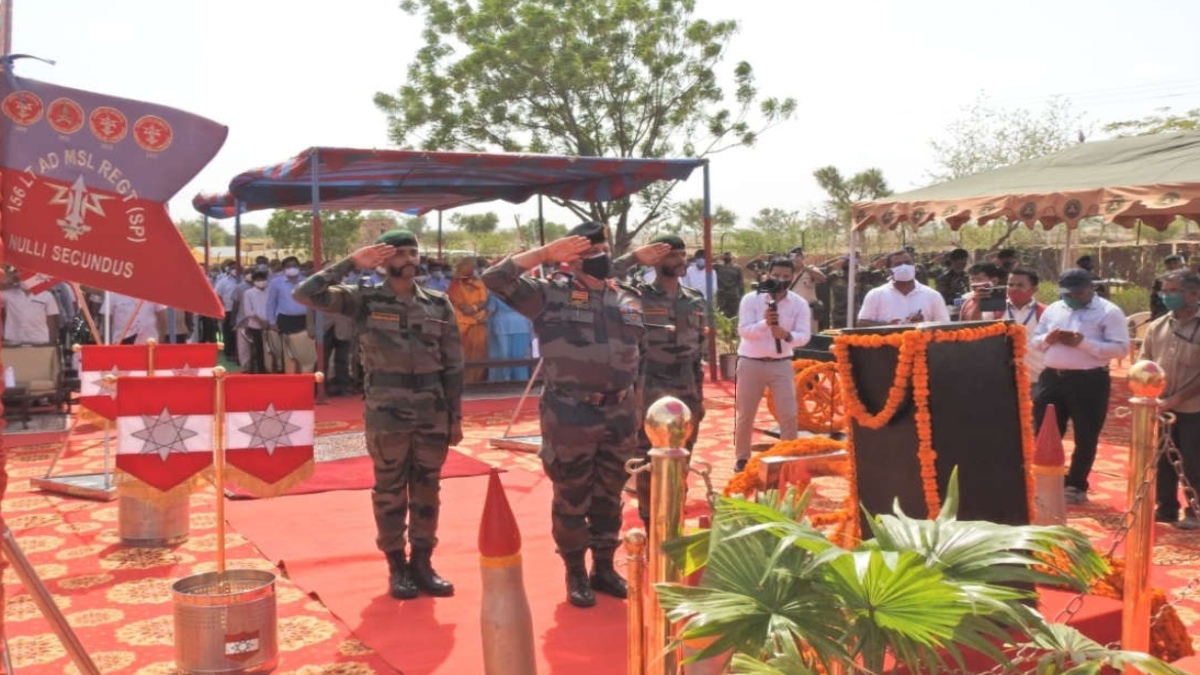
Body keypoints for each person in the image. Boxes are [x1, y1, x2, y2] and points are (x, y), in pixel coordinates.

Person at [482, 221, 667, 609]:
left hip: (619, 411)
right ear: (572, 259)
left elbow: (642, 358)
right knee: (571, 494)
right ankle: (575, 571)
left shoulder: (629, 298)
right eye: (588, 253)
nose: (598, 259)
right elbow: (496, 279)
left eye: (601, 251)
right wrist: (545, 254)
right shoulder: (551, 295)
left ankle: (603, 566)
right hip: (571, 411)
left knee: (610, 492)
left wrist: (637, 410)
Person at [293, 228, 463, 599]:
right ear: (384, 260)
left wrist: (455, 416)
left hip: (432, 409)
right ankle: (396, 564)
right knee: (389, 490)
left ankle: (422, 560)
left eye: (413, 252)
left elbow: (453, 363)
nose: (410, 259)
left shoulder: (437, 303)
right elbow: (306, 293)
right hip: (387, 409)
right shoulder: (363, 299)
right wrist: (352, 263)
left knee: (427, 488)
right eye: (400, 253)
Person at [616, 235, 706, 526]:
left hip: (686, 387)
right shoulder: (637, 295)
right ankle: (649, 518)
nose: (680, 260)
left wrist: (700, 397)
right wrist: (634, 256)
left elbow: (699, 350)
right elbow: (606, 276)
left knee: (682, 456)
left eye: (682, 254)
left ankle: (674, 516)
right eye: (671, 255)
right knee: (649, 458)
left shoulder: (694, 298)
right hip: (650, 384)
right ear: (655, 260)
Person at [1030, 269, 1130, 505]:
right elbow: (1035, 340)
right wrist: (1048, 339)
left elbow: (1120, 348)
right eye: (1067, 293)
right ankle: (1046, 479)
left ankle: (1076, 484)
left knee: (1086, 433)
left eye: (1078, 292)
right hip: (1052, 378)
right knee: (1044, 430)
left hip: (1089, 380)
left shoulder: (1108, 312)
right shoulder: (1054, 309)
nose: (1072, 297)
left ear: (1091, 288)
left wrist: (1082, 343)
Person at [733, 257, 812, 472]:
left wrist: (786, 336)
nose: (781, 280)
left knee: (788, 413)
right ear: (768, 274)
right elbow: (743, 331)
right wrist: (764, 324)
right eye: (776, 275)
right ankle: (742, 458)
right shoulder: (751, 299)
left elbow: (804, 335)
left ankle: (788, 458)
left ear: (793, 277)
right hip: (751, 363)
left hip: (781, 363)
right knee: (745, 413)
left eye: (786, 277)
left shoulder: (799, 303)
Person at [1140, 270, 1200, 530]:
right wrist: (1149, 393)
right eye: (1165, 291)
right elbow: (1144, 363)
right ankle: (1166, 507)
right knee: (1163, 459)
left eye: (1173, 291)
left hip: (1193, 407)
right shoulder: (1157, 325)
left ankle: (1194, 510)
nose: (1167, 296)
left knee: (1193, 460)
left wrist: (1177, 399)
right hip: (1161, 406)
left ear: (1194, 294)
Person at [857, 250, 951, 326]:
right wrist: (888, 326)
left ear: (914, 267)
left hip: (921, 347)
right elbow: (862, 323)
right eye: (898, 264)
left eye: (907, 263)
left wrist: (923, 325)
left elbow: (945, 326)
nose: (904, 267)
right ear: (889, 271)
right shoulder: (875, 295)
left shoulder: (933, 296)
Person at [267, 256, 317, 373]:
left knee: (305, 351)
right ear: (284, 268)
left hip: (304, 319)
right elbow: (271, 303)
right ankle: (290, 376)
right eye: (289, 266)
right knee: (288, 352)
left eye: (294, 266)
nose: (292, 269)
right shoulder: (276, 282)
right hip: (286, 319)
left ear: (299, 267)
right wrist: (272, 321)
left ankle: (305, 374)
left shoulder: (306, 281)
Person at [448, 258, 490, 383]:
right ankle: (462, 380)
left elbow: (485, 301)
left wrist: (478, 309)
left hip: (478, 323)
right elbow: (459, 304)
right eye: (470, 267)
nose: (473, 270)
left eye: (474, 267)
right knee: (462, 353)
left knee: (479, 352)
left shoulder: (480, 283)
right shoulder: (455, 285)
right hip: (462, 323)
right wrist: (472, 309)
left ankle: (476, 379)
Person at [1004, 267, 1046, 383]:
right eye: (1010, 284)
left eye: (1020, 285)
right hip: (1002, 378)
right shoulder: (996, 311)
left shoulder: (1045, 313)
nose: (1014, 289)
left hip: (1036, 378)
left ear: (1034, 289)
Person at [1, 272, 62, 345]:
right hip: (14, 340)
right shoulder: (8, 295)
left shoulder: (47, 296)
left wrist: (51, 342)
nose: (25, 281)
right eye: (23, 278)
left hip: (39, 340)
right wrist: (8, 280)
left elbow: (51, 320)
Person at [786, 246, 826, 333]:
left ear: (802, 258)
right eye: (793, 257)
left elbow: (823, 279)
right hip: (791, 310)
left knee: (811, 336)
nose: (796, 259)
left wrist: (804, 268)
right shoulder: (786, 272)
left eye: (798, 256)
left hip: (809, 310)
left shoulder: (810, 269)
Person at [1150, 254, 1186, 320]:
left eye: (1175, 263)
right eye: (1169, 263)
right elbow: (1154, 300)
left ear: (1181, 264)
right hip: (1163, 314)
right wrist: (1155, 316)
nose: (1173, 266)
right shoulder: (1159, 281)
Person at [715, 251, 745, 319]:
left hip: (733, 295)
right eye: (725, 255)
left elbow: (740, 283)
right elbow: (708, 263)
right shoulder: (718, 267)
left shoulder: (737, 268)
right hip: (722, 295)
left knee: (733, 316)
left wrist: (741, 295)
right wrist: (717, 257)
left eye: (728, 255)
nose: (727, 257)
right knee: (721, 316)